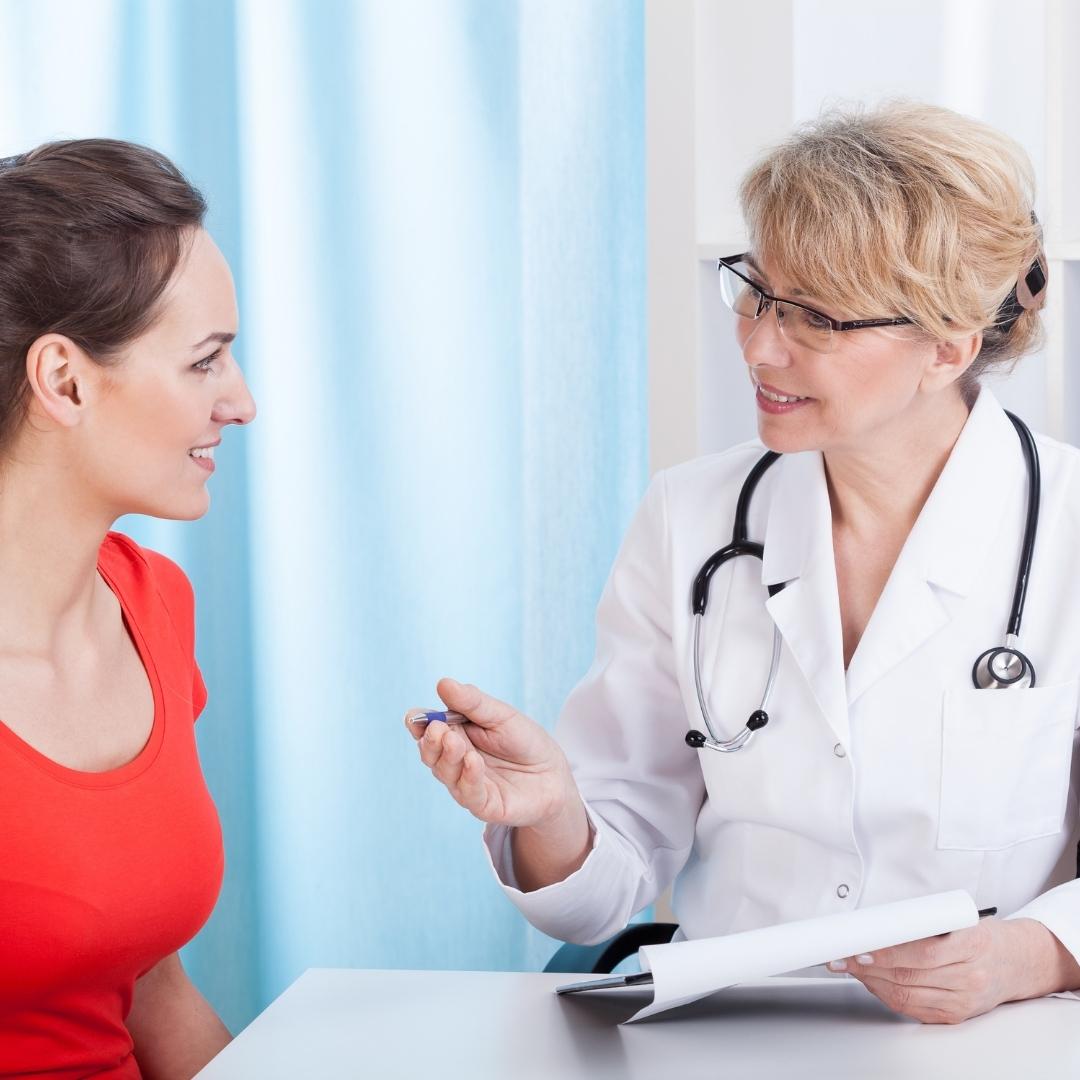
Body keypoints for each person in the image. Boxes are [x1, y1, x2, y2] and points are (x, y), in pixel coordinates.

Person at [413, 103, 1080, 1024]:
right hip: (730, 1029)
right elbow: (604, 884)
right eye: (758, 293)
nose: (760, 344)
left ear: (947, 347)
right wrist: (553, 812)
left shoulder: (1068, 532)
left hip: (991, 1041)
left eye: (815, 317)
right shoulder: (691, 517)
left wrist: (1035, 954)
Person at [0, 140, 255, 1076]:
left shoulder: (154, 606)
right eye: (205, 363)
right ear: (64, 379)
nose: (243, 402)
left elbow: (150, 987)